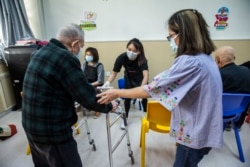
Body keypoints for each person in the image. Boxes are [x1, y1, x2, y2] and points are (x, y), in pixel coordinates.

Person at [97, 9, 223, 167]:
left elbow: (152, 88)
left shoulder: (189, 62)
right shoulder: (206, 59)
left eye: (171, 36)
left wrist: (116, 92)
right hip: (206, 129)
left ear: (183, 34)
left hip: (195, 134)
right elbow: (116, 72)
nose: (171, 40)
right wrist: (111, 84)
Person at [22, 23, 118, 167]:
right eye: (81, 47)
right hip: (52, 132)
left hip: (30, 125)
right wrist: (110, 104)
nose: (80, 51)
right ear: (75, 43)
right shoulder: (66, 57)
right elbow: (86, 96)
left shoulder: (39, 52)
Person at [103, 38, 149, 129]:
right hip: (129, 77)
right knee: (127, 98)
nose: (131, 52)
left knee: (144, 97)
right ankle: (126, 118)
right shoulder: (121, 58)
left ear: (139, 51)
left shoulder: (142, 59)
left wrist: (141, 90)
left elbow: (146, 76)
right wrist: (107, 82)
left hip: (141, 79)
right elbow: (114, 73)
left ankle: (146, 114)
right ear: (126, 48)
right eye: (129, 49)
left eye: (134, 51)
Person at [215, 46, 250, 130]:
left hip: (217, 114)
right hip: (237, 114)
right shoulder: (247, 71)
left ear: (218, 60)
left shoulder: (218, 75)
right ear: (234, 58)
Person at [82, 47, 105, 118]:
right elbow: (81, 75)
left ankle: (98, 110)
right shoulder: (84, 64)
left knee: (96, 94)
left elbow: (100, 80)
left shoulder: (99, 65)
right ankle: (88, 107)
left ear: (94, 55)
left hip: (96, 85)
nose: (87, 56)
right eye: (86, 54)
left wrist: (90, 85)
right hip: (86, 84)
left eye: (89, 55)